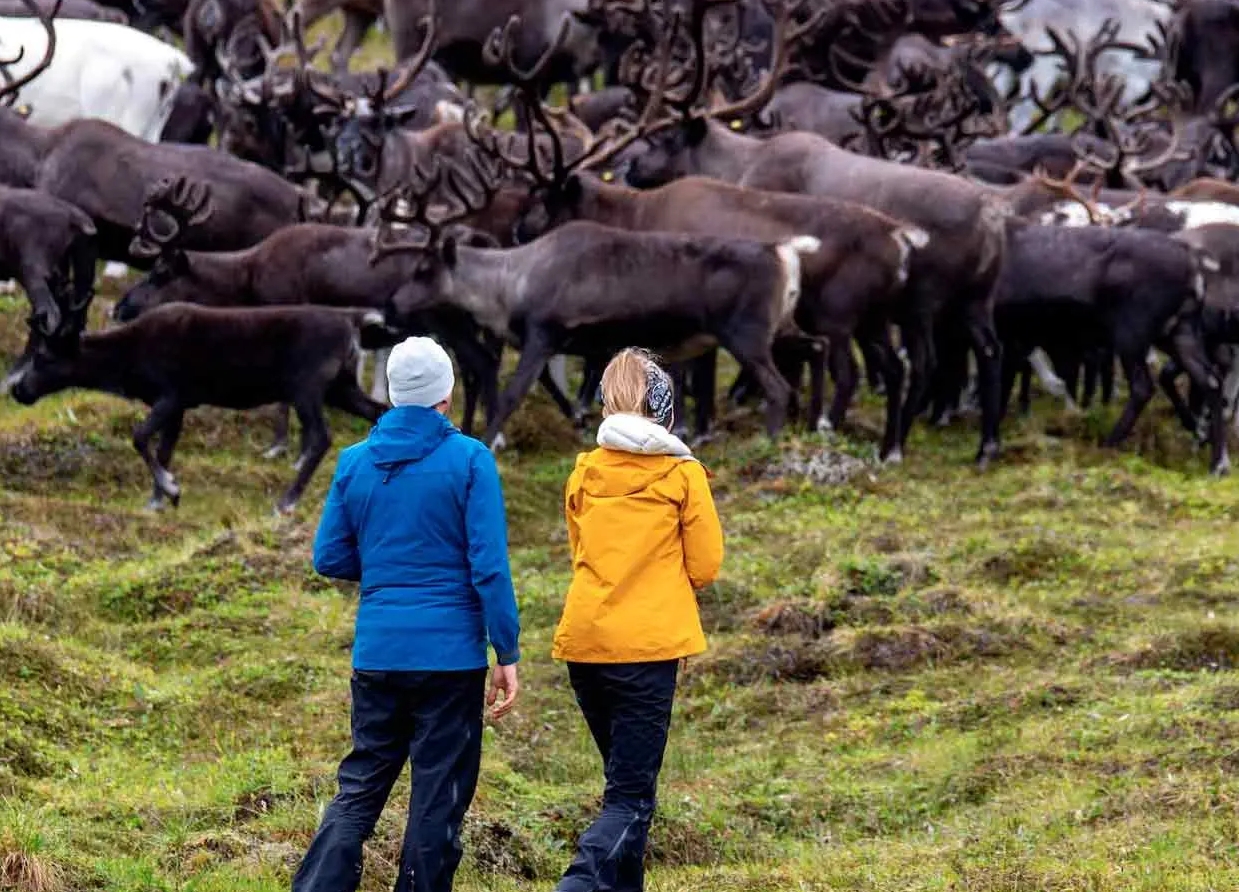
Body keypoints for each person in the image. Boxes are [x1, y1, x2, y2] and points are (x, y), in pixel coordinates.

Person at [294, 336, 521, 892]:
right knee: (436, 796)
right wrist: (506, 652)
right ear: (447, 393)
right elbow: (488, 567)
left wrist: (385, 568)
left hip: (377, 654)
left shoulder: (353, 462)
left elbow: (328, 556)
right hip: (450, 662)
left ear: (393, 393)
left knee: (362, 786)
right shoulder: (471, 459)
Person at [551, 347, 725, 892]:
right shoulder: (682, 476)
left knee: (625, 788)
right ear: (663, 404)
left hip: (585, 644)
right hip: (645, 652)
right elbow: (706, 564)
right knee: (630, 796)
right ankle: (579, 883)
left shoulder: (584, 473)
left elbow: (580, 549)